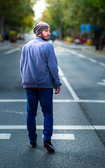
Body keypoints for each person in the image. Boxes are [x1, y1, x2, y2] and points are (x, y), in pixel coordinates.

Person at [20, 21, 62, 152]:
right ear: (39, 32)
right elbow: (53, 67)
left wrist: (25, 81)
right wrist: (57, 83)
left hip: (29, 85)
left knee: (30, 113)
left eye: (49, 30)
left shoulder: (26, 47)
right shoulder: (48, 47)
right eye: (46, 31)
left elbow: (22, 66)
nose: (49, 33)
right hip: (45, 85)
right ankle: (47, 140)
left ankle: (32, 141)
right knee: (48, 113)